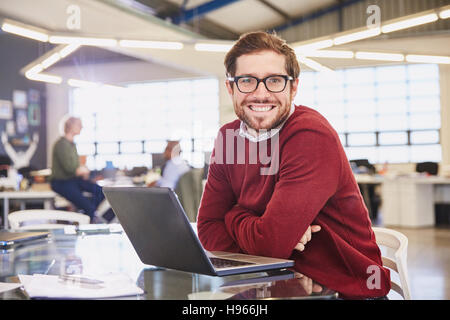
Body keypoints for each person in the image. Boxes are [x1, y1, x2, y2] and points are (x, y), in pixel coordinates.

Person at [196, 31, 391, 299]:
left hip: (345, 290)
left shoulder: (309, 134)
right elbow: (207, 229)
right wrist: (263, 231)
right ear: (230, 87)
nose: (261, 94)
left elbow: (270, 245)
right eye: (247, 81)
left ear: (294, 86)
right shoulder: (229, 138)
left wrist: (232, 215)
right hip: (272, 280)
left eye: (274, 81)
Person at [50, 116, 115, 223]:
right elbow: (70, 168)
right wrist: (82, 170)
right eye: (79, 125)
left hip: (73, 179)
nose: (82, 127)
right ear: (70, 126)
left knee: (102, 192)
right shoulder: (61, 144)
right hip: (61, 182)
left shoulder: (72, 144)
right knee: (88, 207)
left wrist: (82, 170)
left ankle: (86, 214)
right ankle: (87, 214)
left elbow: (76, 165)